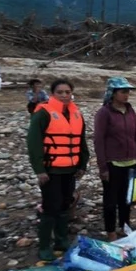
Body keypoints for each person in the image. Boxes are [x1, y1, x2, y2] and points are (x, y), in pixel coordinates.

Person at [27, 78, 89, 261]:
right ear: (53, 94)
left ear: (71, 94)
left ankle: (62, 241)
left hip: (70, 170)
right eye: (60, 92)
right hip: (51, 170)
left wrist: (82, 165)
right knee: (50, 208)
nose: (64, 95)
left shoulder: (77, 114)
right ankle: (45, 246)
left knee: (65, 205)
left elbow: (81, 142)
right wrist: (39, 170)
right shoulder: (43, 113)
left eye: (67, 92)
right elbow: (34, 143)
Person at [94, 77, 136, 241]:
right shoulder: (104, 113)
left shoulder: (130, 110)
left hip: (130, 162)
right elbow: (99, 140)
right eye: (123, 92)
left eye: (128, 92)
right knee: (110, 201)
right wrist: (103, 167)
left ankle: (124, 226)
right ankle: (111, 232)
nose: (126, 95)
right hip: (113, 163)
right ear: (113, 93)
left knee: (126, 198)